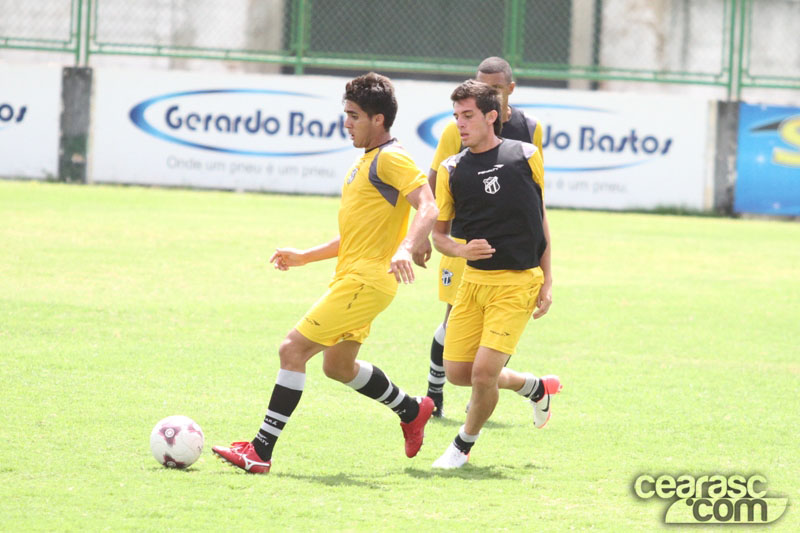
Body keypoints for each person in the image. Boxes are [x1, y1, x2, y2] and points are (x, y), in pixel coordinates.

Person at [213, 72, 439, 474]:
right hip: (357, 278)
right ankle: (411, 409)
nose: (346, 123)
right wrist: (305, 256)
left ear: (379, 120)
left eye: (354, 116)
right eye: (346, 114)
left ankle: (260, 451)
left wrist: (407, 247)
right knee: (338, 366)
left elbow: (429, 205)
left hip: (365, 281)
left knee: (292, 349)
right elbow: (356, 233)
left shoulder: (391, 158)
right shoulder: (366, 160)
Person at [430, 80, 561, 469]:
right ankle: (533, 387)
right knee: (459, 373)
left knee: (485, 373)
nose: (460, 124)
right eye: (456, 116)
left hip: (518, 282)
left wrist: (548, 279)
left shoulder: (525, 156)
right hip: (473, 282)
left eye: (468, 116)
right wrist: (460, 250)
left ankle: (461, 446)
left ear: (491, 116)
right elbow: (439, 236)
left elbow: (539, 220)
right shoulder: (452, 169)